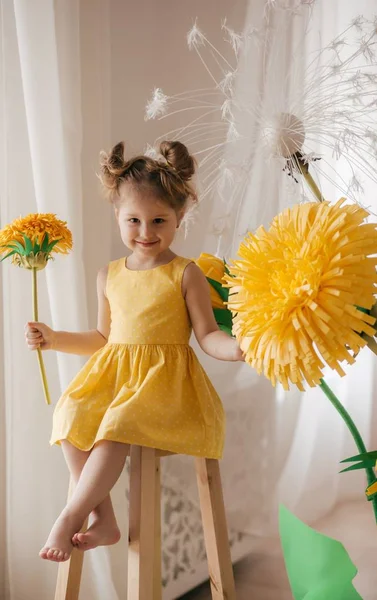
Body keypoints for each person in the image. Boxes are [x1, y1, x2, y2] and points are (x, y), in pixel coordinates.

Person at [25, 140, 244, 563]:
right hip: (117, 377)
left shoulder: (186, 273)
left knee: (117, 423)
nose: (146, 232)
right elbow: (102, 339)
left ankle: (70, 516)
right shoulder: (108, 275)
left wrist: (237, 348)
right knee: (70, 414)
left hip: (163, 386)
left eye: (159, 220)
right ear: (118, 217)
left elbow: (207, 334)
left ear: (180, 217)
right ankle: (103, 518)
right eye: (134, 220)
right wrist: (55, 339)